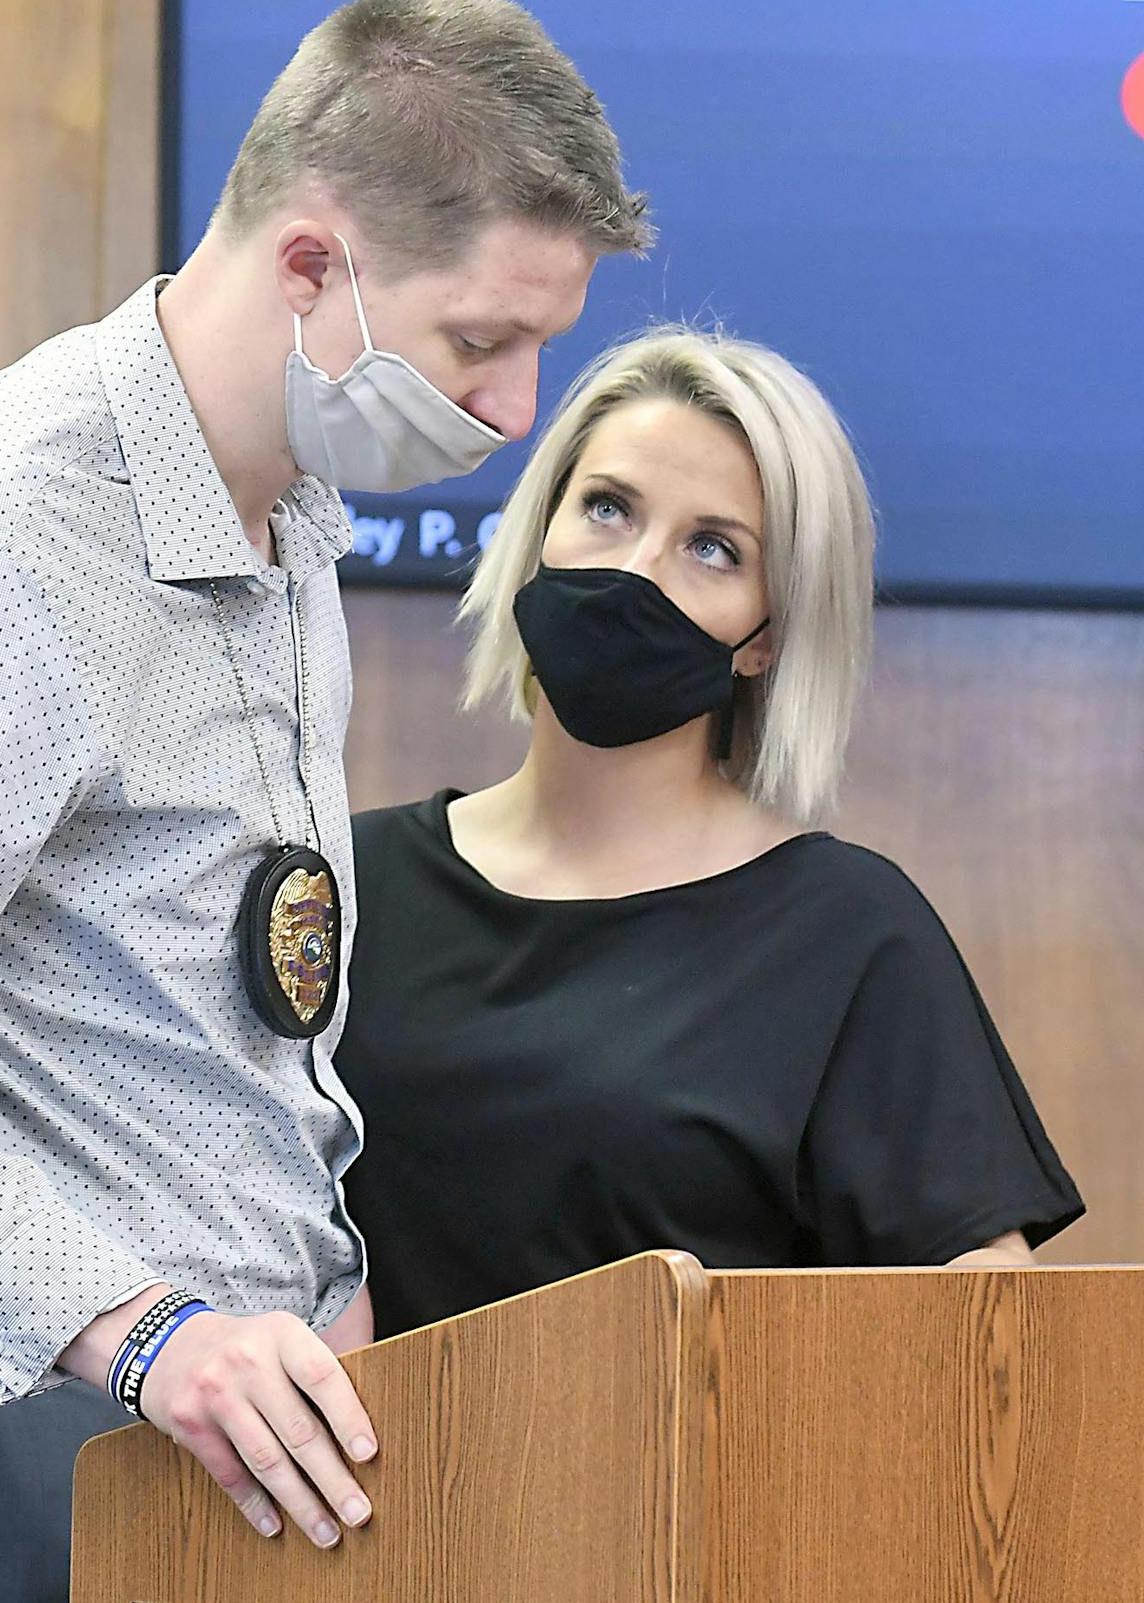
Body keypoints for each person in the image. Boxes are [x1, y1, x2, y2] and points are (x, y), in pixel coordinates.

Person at [0, 0, 651, 1603]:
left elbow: (214, 1012)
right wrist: (146, 1332)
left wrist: (310, 1276)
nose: (517, 412)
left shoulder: (289, 514)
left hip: (193, 1438)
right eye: (476, 343)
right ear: (311, 266)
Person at [337, 325, 1084, 1339]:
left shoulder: (845, 935)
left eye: (710, 548)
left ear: (764, 637)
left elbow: (990, 1354)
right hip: (351, 1492)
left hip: (689, 1495)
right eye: (606, 508)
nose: (635, 570)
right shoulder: (348, 883)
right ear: (538, 525)